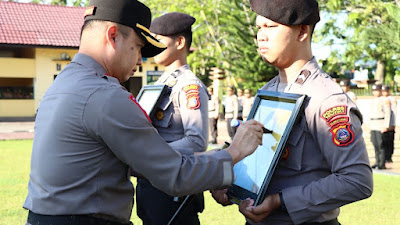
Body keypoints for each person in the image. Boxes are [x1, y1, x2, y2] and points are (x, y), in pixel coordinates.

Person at [22, 1, 265, 225]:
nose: (140, 60)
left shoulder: (63, 83)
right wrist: (234, 152)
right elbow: (175, 174)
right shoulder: (105, 94)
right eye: (137, 47)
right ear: (113, 36)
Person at [211, 0, 373, 224]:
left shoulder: (325, 99)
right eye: (259, 28)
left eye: (271, 27)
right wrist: (228, 184)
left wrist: (280, 201)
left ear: (302, 32)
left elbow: (357, 180)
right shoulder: (268, 92)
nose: (261, 36)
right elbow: (257, 158)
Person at [135, 12, 208, 225]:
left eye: (159, 39)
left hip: (173, 191)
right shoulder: (162, 82)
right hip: (151, 185)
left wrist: (150, 157)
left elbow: (197, 141)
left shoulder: (188, 86)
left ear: (180, 42)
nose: (153, 44)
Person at [369, 84, 391, 169]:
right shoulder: (373, 100)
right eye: (374, 91)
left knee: (381, 145)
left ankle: (382, 163)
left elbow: (388, 113)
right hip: (373, 124)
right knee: (375, 144)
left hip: (380, 123)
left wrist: (386, 125)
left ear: (381, 91)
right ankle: (377, 161)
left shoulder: (384, 100)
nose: (375, 92)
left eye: (377, 90)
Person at [381, 85, 396, 163]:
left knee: (390, 141)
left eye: (386, 91)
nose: (384, 93)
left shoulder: (392, 99)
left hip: (390, 123)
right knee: (384, 141)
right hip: (383, 124)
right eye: (383, 91)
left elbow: (394, 112)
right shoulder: (381, 99)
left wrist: (392, 124)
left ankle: (389, 156)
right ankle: (385, 156)